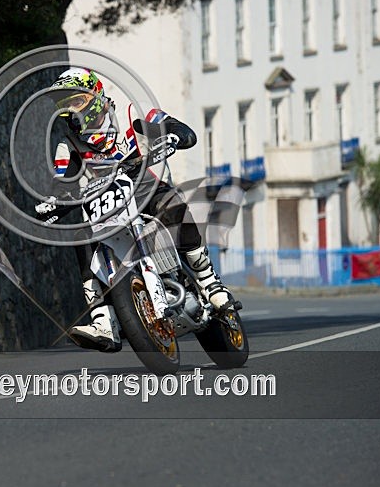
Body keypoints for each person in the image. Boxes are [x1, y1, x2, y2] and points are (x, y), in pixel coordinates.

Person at [37, 67, 236, 353]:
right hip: (103, 205)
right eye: (64, 105)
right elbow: (62, 185)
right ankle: (102, 319)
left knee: (172, 203)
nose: (70, 111)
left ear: (95, 94)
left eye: (75, 101)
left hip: (145, 188)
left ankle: (207, 279)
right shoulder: (68, 146)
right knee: (80, 237)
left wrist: (173, 136)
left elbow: (179, 129)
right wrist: (52, 205)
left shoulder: (133, 113)